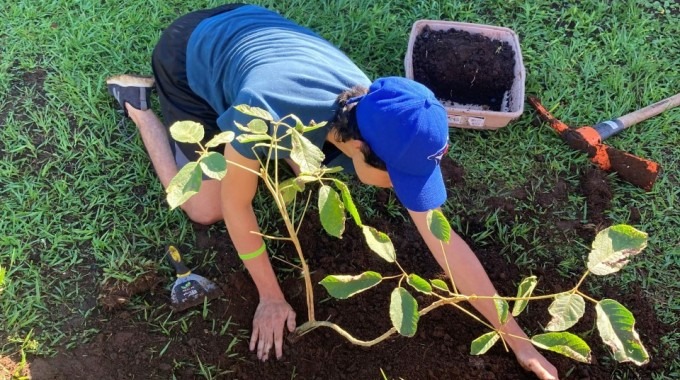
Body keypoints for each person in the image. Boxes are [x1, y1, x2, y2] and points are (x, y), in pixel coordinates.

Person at [106, 4, 558, 379]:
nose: (404, 194)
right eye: (400, 180)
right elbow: (237, 204)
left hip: (258, 31)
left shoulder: (379, 110)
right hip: (192, 55)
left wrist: (517, 339)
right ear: (359, 147)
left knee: (277, 169)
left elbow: (443, 240)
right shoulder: (264, 113)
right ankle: (140, 108)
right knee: (206, 207)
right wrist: (270, 296)